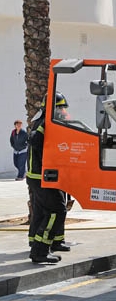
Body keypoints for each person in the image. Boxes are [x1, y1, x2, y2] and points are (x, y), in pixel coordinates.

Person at [27, 92, 71, 263]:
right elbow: (36, 142)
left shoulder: (48, 122)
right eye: (60, 107)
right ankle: (40, 251)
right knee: (57, 211)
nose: (63, 111)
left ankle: (54, 242)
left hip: (41, 176)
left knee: (41, 210)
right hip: (42, 176)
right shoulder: (45, 124)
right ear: (53, 108)